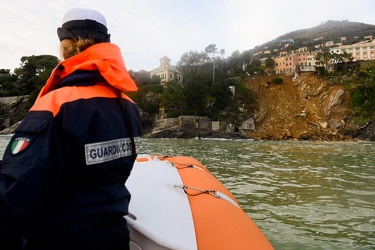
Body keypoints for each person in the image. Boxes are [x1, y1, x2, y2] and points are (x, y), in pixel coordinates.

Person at [0, 8, 141, 250]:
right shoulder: (128, 106)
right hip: (114, 235)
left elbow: (16, 192)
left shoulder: (57, 103)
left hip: (60, 240)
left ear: (66, 47)